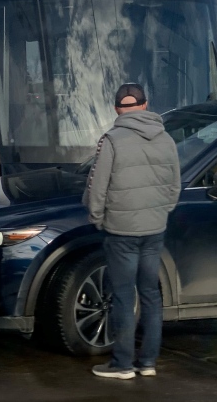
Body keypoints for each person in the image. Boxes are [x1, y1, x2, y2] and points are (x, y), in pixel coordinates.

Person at [83, 83, 181, 380]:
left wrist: (97, 217)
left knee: (124, 296)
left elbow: (97, 185)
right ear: (146, 105)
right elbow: (174, 186)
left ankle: (122, 364)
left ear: (116, 109)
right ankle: (148, 361)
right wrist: (161, 212)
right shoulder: (166, 139)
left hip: (121, 230)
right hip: (155, 228)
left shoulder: (112, 140)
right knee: (151, 294)